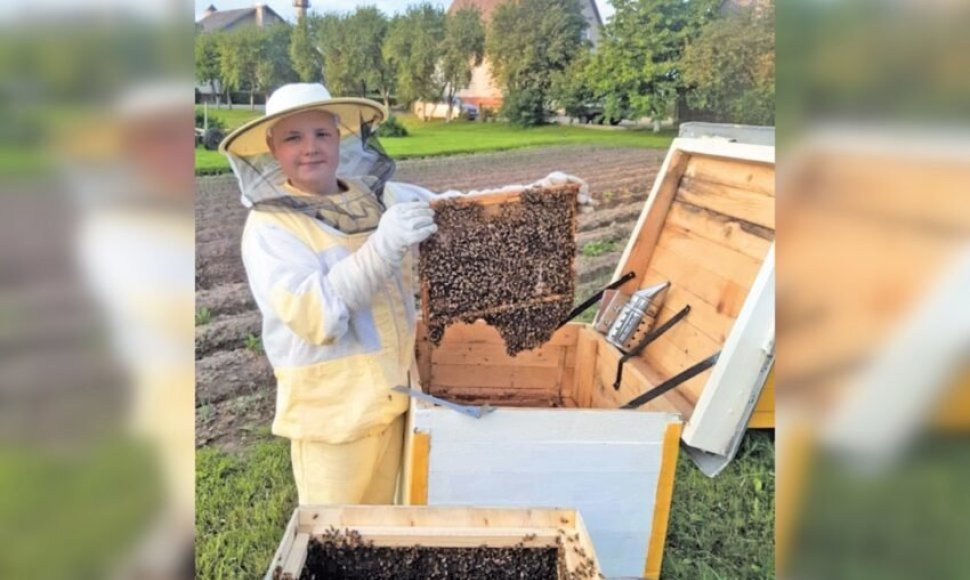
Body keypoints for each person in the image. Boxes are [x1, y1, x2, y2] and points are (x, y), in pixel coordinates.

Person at [219, 83, 439, 505]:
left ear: (340, 136)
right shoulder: (270, 229)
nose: (310, 149)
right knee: (335, 539)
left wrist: (545, 192)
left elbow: (461, 207)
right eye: (293, 137)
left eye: (322, 134)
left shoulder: (374, 196)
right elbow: (316, 315)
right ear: (272, 148)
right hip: (331, 421)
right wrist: (384, 246)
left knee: (385, 534)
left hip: (394, 405)